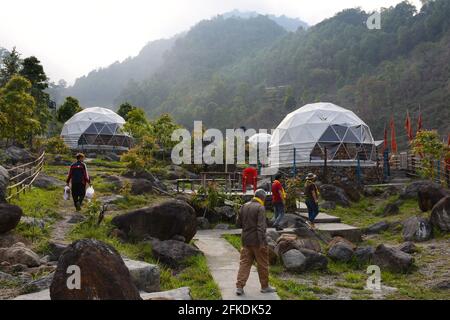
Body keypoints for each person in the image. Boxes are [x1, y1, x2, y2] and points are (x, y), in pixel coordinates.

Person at [235, 189, 276, 296]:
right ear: (262, 198)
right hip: (258, 242)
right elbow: (261, 227)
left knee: (244, 264)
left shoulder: (244, 206)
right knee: (262, 264)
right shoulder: (260, 208)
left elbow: (238, 224)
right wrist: (262, 243)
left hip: (245, 240)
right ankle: (265, 286)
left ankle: (239, 287)